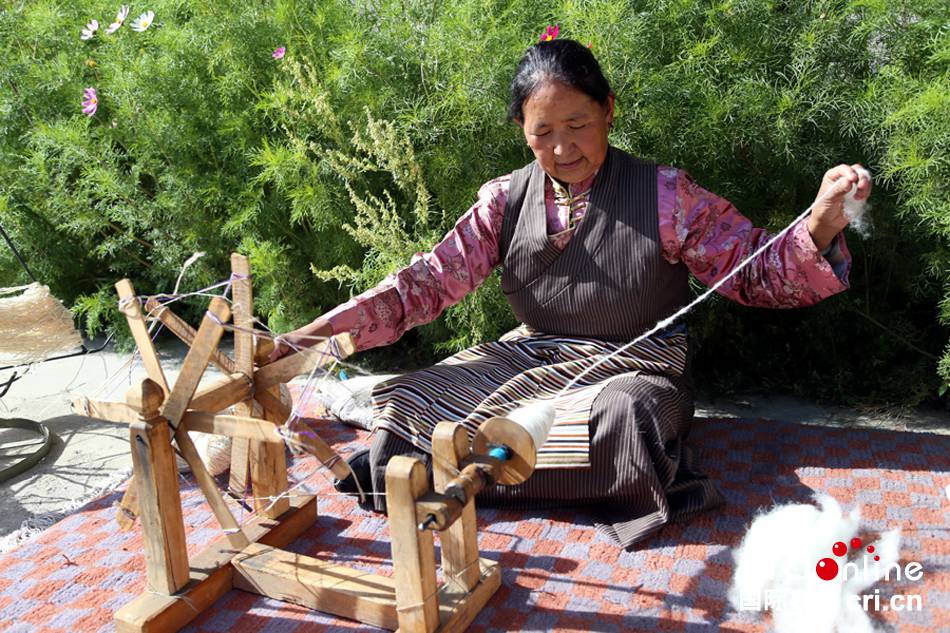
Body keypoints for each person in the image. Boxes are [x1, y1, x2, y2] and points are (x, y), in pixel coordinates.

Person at [270, 39, 871, 548]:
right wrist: (316, 337)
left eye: (578, 124)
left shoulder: (666, 196)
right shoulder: (503, 201)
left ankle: (471, 472)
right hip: (531, 357)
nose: (563, 148)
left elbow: (752, 270)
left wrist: (820, 221)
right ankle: (487, 466)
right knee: (409, 405)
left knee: (622, 424)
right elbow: (423, 284)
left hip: (639, 366)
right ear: (521, 132)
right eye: (543, 133)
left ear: (608, 110)